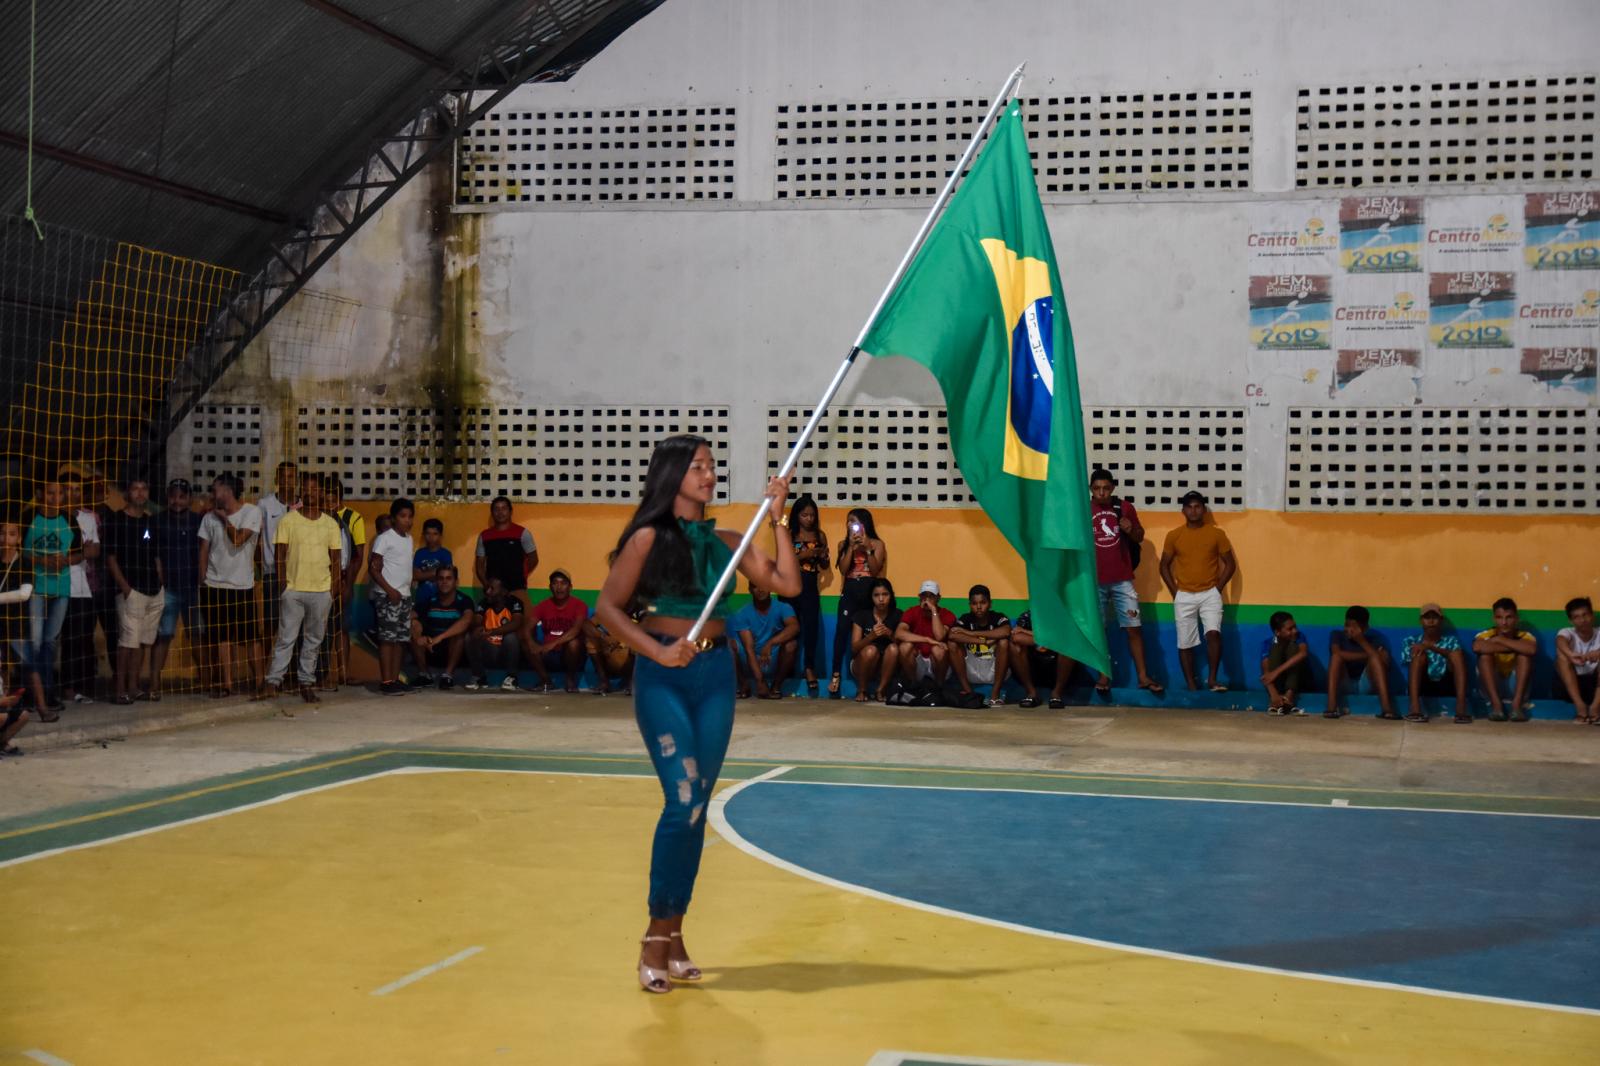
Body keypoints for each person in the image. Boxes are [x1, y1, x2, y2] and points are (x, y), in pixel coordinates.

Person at [593, 434, 798, 994]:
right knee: (681, 800)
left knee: (696, 807)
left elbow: (788, 583)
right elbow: (607, 609)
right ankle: (656, 938)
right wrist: (657, 650)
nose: (708, 474)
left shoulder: (728, 541)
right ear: (672, 475)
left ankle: (673, 933)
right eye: (697, 466)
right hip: (664, 677)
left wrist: (778, 518)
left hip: (715, 678)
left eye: (711, 465)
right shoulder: (645, 539)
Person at [262, 475, 341, 710]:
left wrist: (333, 589)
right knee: (285, 638)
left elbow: (336, 560)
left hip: (321, 590)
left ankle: (306, 682)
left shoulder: (330, 524)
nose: (309, 493)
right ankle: (273, 681)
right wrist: (283, 585)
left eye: (314, 489)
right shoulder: (288, 521)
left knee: (313, 640)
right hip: (293, 589)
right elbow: (279, 555)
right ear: (300, 492)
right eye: (305, 489)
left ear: (321, 493)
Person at [1088, 470, 1162, 694]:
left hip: (1122, 580)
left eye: (1106, 488)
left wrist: (1131, 529)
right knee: (1099, 631)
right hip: (1094, 581)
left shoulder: (1124, 507)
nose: (1102, 493)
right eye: (1097, 488)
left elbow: (1139, 536)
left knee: (1134, 628)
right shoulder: (1082, 508)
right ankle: (1103, 675)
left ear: (1112, 488)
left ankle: (1142, 676)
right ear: (1091, 489)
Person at [1159, 490, 1237, 692]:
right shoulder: (1174, 535)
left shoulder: (1217, 534)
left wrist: (1218, 588)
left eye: (1198, 506)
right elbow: (1164, 566)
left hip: (1210, 593)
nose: (1193, 511)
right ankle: (1191, 685)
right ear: (1183, 510)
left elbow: (1230, 564)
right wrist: (1175, 592)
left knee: (1213, 634)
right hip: (1183, 594)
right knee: (1185, 642)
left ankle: (1212, 679)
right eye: (1189, 507)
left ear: (1203, 509)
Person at [198, 473, 263, 698]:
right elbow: (204, 550)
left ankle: (260, 682)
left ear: (226, 491)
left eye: (215, 489)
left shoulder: (252, 512)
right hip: (215, 585)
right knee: (222, 637)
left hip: (242, 586)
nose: (212, 494)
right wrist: (202, 581)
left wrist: (225, 518)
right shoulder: (208, 519)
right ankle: (227, 684)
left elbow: (237, 540)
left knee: (251, 637)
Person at [104, 479, 164, 705]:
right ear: (127, 493)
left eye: (144, 488)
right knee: (127, 642)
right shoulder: (116, 520)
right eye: (135, 488)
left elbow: (155, 553)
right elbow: (110, 558)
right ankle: (120, 689)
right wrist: (125, 588)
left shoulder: (149, 522)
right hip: (131, 589)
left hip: (153, 589)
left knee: (142, 641)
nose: (140, 493)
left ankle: (134, 686)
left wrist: (161, 582)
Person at [22, 480, 73, 716]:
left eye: (59, 493)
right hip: (35, 587)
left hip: (60, 588)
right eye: (51, 493)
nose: (55, 497)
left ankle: (48, 692)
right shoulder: (29, 517)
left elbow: (83, 551)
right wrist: (42, 560)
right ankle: (31, 695)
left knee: (50, 642)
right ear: (41, 494)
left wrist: (66, 561)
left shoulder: (69, 520)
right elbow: (18, 551)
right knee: (33, 641)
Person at [151, 478, 204, 698]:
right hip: (168, 588)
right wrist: (159, 574)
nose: (177, 501)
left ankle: (206, 680)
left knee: (198, 634)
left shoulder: (198, 521)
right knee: (163, 635)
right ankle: (154, 685)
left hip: (193, 587)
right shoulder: (157, 521)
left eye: (182, 496)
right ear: (167, 497)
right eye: (173, 496)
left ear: (189, 498)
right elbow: (151, 550)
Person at [828, 507, 886, 699]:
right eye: (848, 521)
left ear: (864, 524)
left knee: (869, 633)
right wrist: (852, 549)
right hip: (850, 590)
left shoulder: (877, 543)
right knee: (842, 630)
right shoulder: (842, 545)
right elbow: (844, 570)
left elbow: (876, 570)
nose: (850, 525)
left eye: (854, 522)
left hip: (869, 589)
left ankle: (870, 676)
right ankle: (835, 674)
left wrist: (867, 548)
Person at [58, 472, 102, 704]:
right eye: (68, 488)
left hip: (82, 586)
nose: (72, 493)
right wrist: (79, 552)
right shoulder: (52, 516)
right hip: (57, 585)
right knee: (56, 639)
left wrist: (71, 555)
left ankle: (74, 687)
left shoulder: (88, 517)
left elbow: (94, 551)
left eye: (77, 489)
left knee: (79, 639)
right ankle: (57, 689)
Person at [780, 494, 829, 698]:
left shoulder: (820, 535)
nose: (809, 519)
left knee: (811, 629)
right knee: (789, 629)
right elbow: (783, 560)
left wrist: (823, 557)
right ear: (796, 516)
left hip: (810, 585)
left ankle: (809, 667)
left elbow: (825, 566)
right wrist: (805, 555)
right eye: (804, 515)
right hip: (789, 585)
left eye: (812, 515)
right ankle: (784, 669)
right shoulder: (788, 535)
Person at [368, 498, 416, 696]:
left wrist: (403, 592)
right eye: (403, 516)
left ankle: (395, 679)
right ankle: (386, 681)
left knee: (400, 640)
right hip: (388, 597)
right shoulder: (384, 538)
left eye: (410, 516)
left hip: (404, 596)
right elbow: (373, 569)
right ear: (394, 517)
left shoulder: (409, 538)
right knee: (387, 640)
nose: (407, 520)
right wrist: (389, 590)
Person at [1, 521, 47, 722]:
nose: (5, 538)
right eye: (2, 534)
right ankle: (4, 710)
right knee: (2, 669)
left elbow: (25, 594)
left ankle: (43, 708)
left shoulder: (25, 562)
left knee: (30, 666)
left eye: (11, 534)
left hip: (16, 624)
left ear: (19, 539)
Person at [326, 477, 366, 686]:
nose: (328, 504)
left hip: (343, 579)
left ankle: (343, 672)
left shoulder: (353, 518)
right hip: (321, 580)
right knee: (321, 629)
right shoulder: (319, 516)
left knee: (342, 628)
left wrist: (348, 584)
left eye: (332, 499)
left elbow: (358, 555)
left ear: (339, 498)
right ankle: (321, 674)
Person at [1401, 603, 1469, 723]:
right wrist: (1423, 649)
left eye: (1435, 617)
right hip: (1423, 684)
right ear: (1421, 621)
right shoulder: (1411, 641)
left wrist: (1430, 647)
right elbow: (1409, 662)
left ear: (1441, 620)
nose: (1431, 621)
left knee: (1456, 655)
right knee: (1418, 657)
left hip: (1447, 683)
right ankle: (1415, 710)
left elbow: (1456, 659)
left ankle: (1461, 710)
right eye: (1427, 618)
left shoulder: (1451, 641)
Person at [1326, 605, 1397, 719]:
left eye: (1354, 627)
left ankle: (1387, 709)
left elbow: (1384, 661)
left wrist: (1361, 641)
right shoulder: (1337, 635)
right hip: (1346, 682)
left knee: (1375, 659)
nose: (1349, 630)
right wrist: (1369, 655)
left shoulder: (1374, 639)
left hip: (1366, 684)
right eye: (1347, 625)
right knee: (1336, 658)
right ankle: (1331, 707)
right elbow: (1337, 653)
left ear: (1364, 628)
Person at [730, 583, 799, 699]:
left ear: (771, 588)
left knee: (791, 645)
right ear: (750, 590)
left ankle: (776, 687)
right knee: (728, 645)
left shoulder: (783, 607)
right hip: (751, 661)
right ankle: (743, 685)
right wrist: (760, 680)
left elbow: (794, 627)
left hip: (773, 658)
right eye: (755, 586)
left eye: (764, 584)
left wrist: (770, 643)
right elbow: (749, 649)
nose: (761, 589)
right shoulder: (742, 613)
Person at [1473, 597, 1537, 722]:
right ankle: (1496, 706)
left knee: (1524, 656)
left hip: (1516, 687)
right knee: (1484, 657)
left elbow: (1531, 650)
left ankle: (1516, 706)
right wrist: (1514, 646)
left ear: (1516, 618)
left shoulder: (1525, 636)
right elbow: (1477, 647)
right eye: (1499, 618)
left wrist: (1500, 640)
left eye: (1509, 617)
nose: (1504, 622)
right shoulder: (1485, 635)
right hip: (1492, 686)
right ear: (1494, 619)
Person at [948, 584, 1012, 706]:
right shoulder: (965, 618)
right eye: (974, 603)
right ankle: (968, 692)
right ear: (970, 605)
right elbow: (952, 635)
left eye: (983, 603)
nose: (978, 607)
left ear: (990, 603)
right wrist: (983, 641)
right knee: (952, 644)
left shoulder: (998, 617)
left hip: (994, 668)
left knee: (1004, 642)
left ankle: (995, 694)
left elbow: (1006, 631)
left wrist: (970, 633)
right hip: (972, 668)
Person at [410, 566, 473, 688]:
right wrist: (419, 637)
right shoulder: (429, 600)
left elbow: (467, 620)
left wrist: (440, 637)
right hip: (430, 647)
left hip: (454, 650)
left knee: (459, 634)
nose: (444, 582)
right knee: (413, 625)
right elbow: (410, 616)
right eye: (441, 578)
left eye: (449, 578)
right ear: (436, 581)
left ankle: (447, 676)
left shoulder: (464, 600)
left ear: (456, 582)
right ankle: (425, 675)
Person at [257, 461, 299, 643]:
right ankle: (263, 671)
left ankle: (292, 671)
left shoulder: (304, 506)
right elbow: (256, 541)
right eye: (283, 476)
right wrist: (263, 567)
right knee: (271, 624)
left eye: (290, 476)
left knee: (296, 625)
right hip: (272, 575)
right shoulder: (265, 504)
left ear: (296, 480)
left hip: (299, 575)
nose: (286, 480)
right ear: (276, 479)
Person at [530, 569, 590, 692]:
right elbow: (527, 628)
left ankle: (570, 679)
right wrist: (532, 644)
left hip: (570, 655)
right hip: (548, 654)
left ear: (570, 587)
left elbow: (576, 630)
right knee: (526, 641)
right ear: (550, 587)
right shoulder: (543, 605)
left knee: (573, 643)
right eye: (555, 583)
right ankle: (546, 680)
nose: (559, 587)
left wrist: (553, 644)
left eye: (563, 583)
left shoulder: (579, 605)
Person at [474, 496, 538, 607]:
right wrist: (487, 585)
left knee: (523, 621)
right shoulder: (484, 536)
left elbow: (533, 559)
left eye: (504, 508)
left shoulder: (522, 533)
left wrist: (521, 574)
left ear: (510, 511)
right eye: (496, 509)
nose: (500, 512)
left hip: (517, 587)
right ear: (492, 512)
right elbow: (479, 565)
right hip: (494, 591)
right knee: (493, 622)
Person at [847, 577, 900, 702]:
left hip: (884, 666)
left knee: (893, 648)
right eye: (876, 595)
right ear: (871, 597)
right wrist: (871, 636)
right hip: (861, 664)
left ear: (891, 596)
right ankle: (862, 690)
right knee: (871, 650)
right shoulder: (861, 616)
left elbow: (902, 645)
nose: (881, 599)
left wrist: (890, 635)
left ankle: (880, 690)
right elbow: (854, 648)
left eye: (885, 594)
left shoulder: (897, 615)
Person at [467, 577, 524, 691]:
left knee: (511, 637)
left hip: (507, 650)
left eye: (492, 589)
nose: (488, 591)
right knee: (470, 637)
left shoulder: (514, 602)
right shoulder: (484, 603)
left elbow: (516, 623)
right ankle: (479, 677)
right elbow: (477, 619)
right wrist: (478, 627)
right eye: (487, 588)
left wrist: (492, 631)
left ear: (503, 591)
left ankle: (512, 677)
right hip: (491, 649)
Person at [895, 580, 956, 684]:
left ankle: (939, 688)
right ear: (919, 597)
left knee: (938, 650)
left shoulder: (947, 614)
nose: (926, 600)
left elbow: (939, 637)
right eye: (924, 596)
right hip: (918, 662)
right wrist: (927, 640)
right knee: (904, 646)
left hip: (938, 664)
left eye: (931, 596)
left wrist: (934, 611)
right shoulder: (912, 611)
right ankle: (914, 686)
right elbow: (899, 633)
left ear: (938, 598)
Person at [1009, 608, 1070, 709]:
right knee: (1015, 646)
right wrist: (1051, 640)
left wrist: (1027, 633)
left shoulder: (1062, 615)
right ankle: (1031, 693)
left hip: (1057, 667)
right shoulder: (1027, 616)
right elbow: (1016, 637)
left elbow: (1065, 638)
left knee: (1069, 646)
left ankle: (1056, 694)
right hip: (1033, 666)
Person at [1555, 596, 1600, 724]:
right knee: (1562, 656)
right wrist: (1571, 655)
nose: (1582, 620)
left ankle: (1595, 709)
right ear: (1571, 621)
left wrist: (1598, 653)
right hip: (1570, 687)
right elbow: (1560, 640)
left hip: (1595, 686)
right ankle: (1580, 707)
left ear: (1592, 616)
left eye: (1585, 615)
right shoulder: (1567, 632)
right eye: (1577, 617)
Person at [1260, 611, 1311, 715]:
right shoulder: (1268, 643)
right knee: (1274, 649)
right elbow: (1266, 671)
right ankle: (1278, 700)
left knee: (1293, 647)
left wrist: (1276, 672)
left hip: (1297, 681)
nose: (1295, 631)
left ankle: (1289, 696)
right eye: (1290, 629)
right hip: (1277, 684)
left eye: (1295, 627)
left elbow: (1303, 653)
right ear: (1277, 632)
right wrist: (1273, 694)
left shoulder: (1299, 637)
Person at [585, 608, 640, 696]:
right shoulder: (606, 613)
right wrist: (604, 638)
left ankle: (632, 683)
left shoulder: (638, 614)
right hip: (608, 658)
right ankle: (604, 682)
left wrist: (621, 642)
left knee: (639, 644)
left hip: (628, 660)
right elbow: (586, 624)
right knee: (591, 641)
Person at [413, 517, 451, 603]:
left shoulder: (446, 554)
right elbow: (416, 576)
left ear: (440, 535)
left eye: (435, 534)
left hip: (440, 599)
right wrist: (437, 572)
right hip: (421, 598)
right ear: (423, 535)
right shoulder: (419, 553)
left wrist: (424, 575)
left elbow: (447, 576)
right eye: (428, 533)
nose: (431, 537)